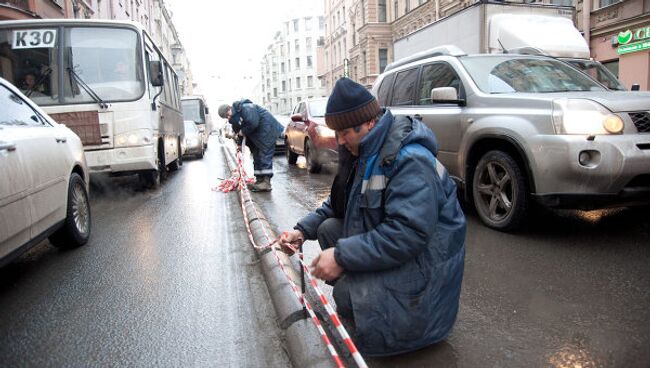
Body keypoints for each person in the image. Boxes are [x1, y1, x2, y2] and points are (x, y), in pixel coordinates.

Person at [279, 77, 466, 357]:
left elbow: (407, 234)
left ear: (368, 123)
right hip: (409, 257)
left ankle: (394, 320)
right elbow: (338, 204)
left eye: (344, 133)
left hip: (425, 272)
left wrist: (341, 257)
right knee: (330, 229)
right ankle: (368, 303)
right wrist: (302, 231)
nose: (339, 141)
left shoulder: (409, 160)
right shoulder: (367, 150)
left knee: (344, 293)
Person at [218, 100, 284, 192]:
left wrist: (243, 132)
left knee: (264, 156)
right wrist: (239, 145)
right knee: (256, 156)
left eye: (227, 114)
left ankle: (266, 183)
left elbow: (253, 123)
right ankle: (259, 180)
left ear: (229, 108)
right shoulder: (234, 119)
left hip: (268, 131)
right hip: (258, 136)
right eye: (226, 117)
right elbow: (239, 133)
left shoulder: (246, 108)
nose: (228, 117)